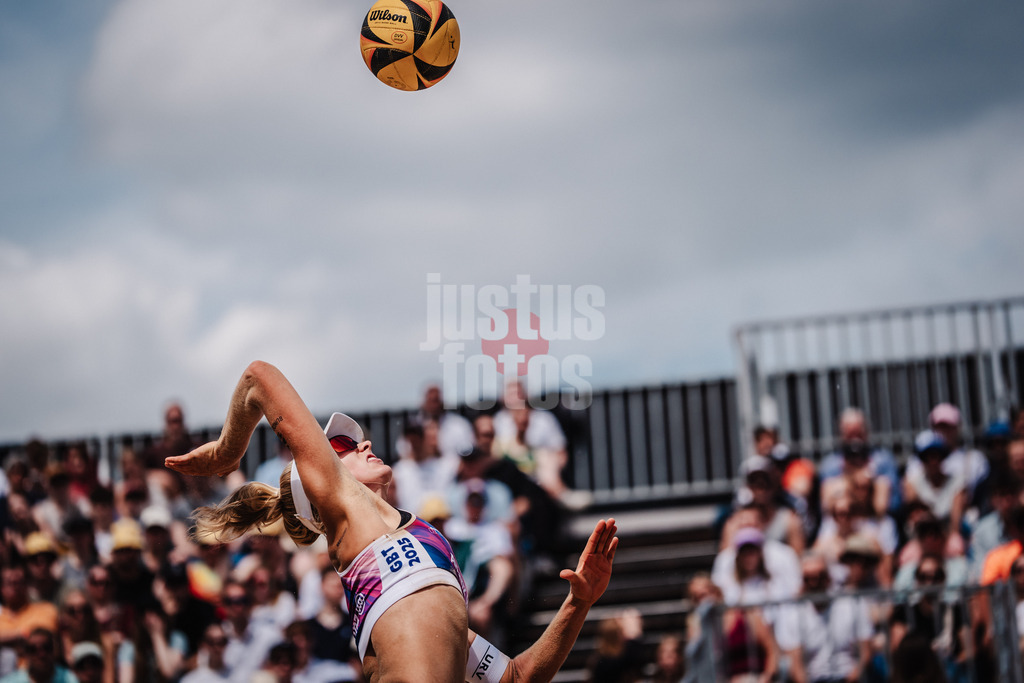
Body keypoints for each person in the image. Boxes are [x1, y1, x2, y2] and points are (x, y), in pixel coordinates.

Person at [166, 360, 619, 683]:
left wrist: (578, 603)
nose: (362, 444)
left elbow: (516, 677)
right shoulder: (344, 512)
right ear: (320, 482)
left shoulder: (428, 544)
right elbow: (257, 377)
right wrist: (226, 454)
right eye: (341, 446)